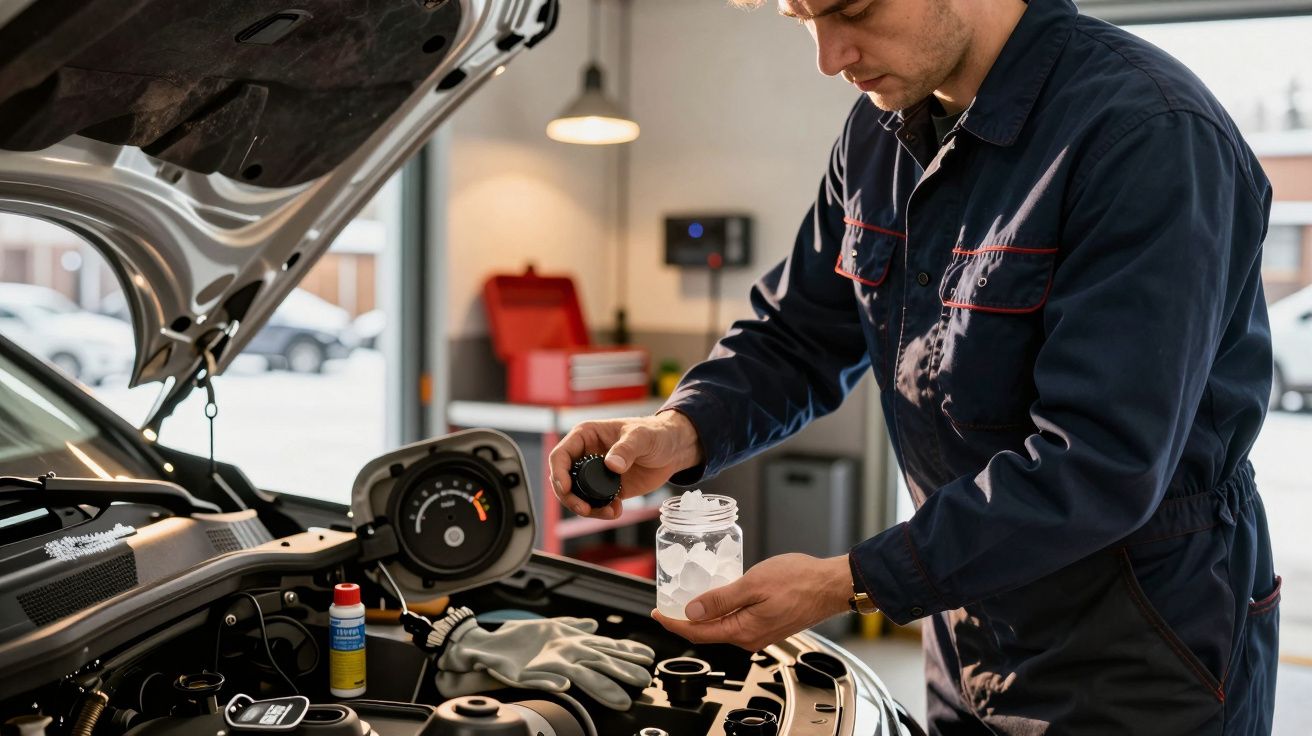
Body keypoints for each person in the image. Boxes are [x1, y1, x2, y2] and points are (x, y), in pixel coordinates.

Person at [548, 0, 1281, 732]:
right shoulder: (878, 131)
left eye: (854, 10)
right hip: (963, 624)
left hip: (1142, 649)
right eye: (803, 20)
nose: (829, 58)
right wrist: (682, 428)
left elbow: (1101, 462)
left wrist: (852, 582)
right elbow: (797, 333)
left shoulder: (1148, 134)